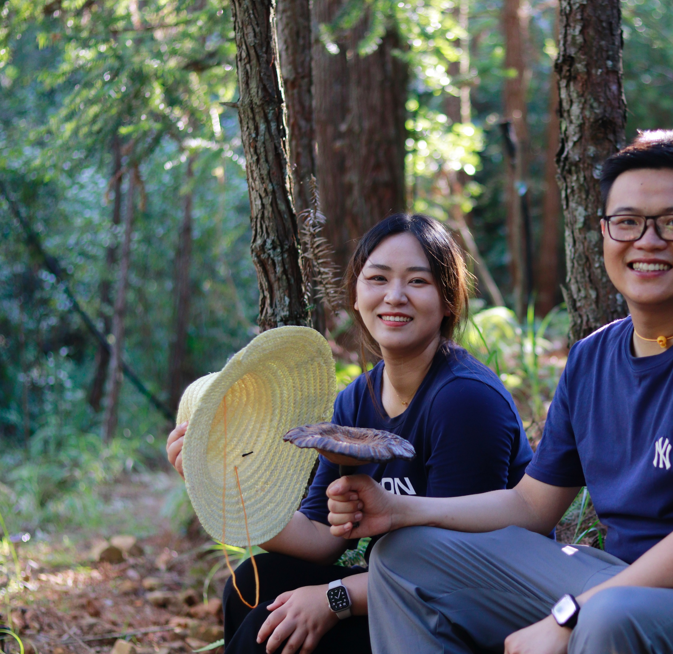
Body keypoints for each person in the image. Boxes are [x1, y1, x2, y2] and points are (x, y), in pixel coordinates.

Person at [326, 131, 673, 654]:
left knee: (609, 616)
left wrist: (569, 616)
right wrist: (400, 510)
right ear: (604, 233)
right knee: (405, 555)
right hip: (627, 581)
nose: (649, 240)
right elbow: (531, 506)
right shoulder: (593, 358)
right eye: (628, 222)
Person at [166, 213, 533, 654]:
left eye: (418, 282)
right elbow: (320, 538)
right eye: (377, 278)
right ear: (356, 295)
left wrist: (332, 599)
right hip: (399, 586)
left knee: (271, 638)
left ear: (448, 299)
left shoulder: (464, 400)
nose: (394, 297)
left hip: (476, 610)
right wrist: (211, 480)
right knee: (254, 583)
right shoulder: (358, 399)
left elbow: (456, 569)